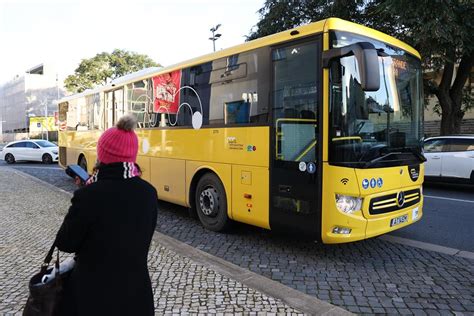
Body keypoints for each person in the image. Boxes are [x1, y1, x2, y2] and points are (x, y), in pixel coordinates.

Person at [55, 114, 158, 316]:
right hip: (136, 296)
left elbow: (65, 243)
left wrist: (83, 196)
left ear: (102, 155)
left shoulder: (88, 195)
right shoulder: (149, 193)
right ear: (132, 154)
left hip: (91, 296)